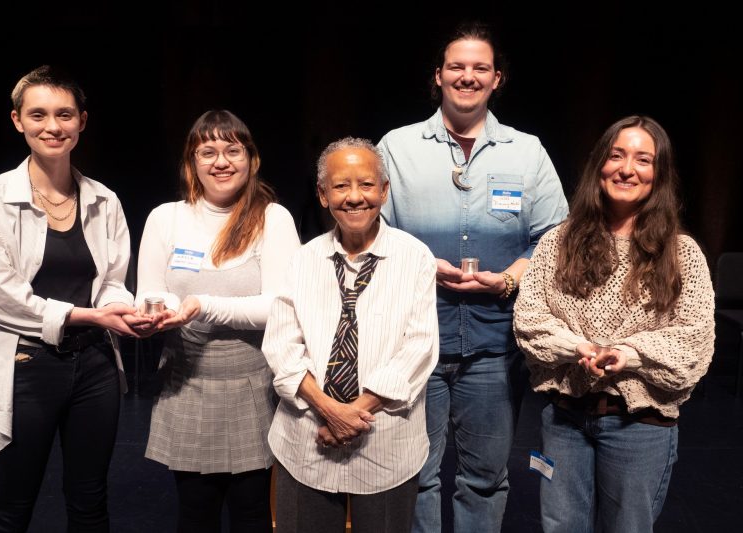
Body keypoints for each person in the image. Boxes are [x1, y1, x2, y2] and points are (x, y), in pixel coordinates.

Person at [377, 21, 569, 532]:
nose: (468, 76)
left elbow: (555, 237)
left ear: (497, 78)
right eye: (456, 67)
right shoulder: (396, 147)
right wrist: (422, 265)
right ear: (437, 76)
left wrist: (508, 279)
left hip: (493, 343)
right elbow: (371, 232)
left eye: (479, 67)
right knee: (414, 475)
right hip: (415, 341)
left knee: (484, 478)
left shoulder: (526, 152)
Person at [0, 65, 146, 532]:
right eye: (38, 114)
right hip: (26, 367)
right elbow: (4, 299)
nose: (52, 126)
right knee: (11, 510)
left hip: (95, 368)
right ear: (17, 121)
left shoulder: (104, 199)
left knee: (90, 504)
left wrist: (119, 308)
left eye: (64, 114)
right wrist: (93, 315)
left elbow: (112, 279)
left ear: (82, 121)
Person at [513, 115, 715, 532]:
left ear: (658, 175)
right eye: (617, 155)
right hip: (565, 419)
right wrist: (579, 348)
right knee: (560, 526)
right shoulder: (558, 241)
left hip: (639, 426)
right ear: (599, 165)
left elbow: (693, 340)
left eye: (644, 160)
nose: (627, 169)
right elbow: (530, 318)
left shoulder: (682, 253)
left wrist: (628, 354)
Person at [135, 109, 301, 532]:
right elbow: (150, 293)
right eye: (208, 151)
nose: (221, 161)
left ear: (251, 159)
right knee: (195, 513)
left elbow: (280, 308)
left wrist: (201, 304)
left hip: (254, 384)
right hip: (186, 383)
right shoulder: (165, 218)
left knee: (251, 513)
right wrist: (156, 311)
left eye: (233, 150)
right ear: (192, 161)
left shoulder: (273, 218)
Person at [262, 138, 439, 533]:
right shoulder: (303, 260)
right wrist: (329, 410)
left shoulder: (415, 258)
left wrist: (351, 415)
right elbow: (281, 345)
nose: (355, 197)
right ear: (323, 195)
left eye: (367, 185)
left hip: (385, 442)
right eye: (341, 186)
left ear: (384, 191)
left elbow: (419, 348)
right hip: (308, 439)